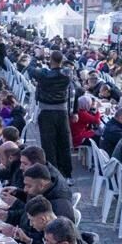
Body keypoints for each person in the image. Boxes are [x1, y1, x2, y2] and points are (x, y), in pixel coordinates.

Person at [31, 50, 75, 178]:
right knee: (64, 143)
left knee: (48, 144)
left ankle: (53, 173)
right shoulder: (68, 73)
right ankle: (67, 174)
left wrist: (37, 56)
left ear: (50, 60)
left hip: (46, 112)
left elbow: (31, 69)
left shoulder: (44, 75)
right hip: (62, 112)